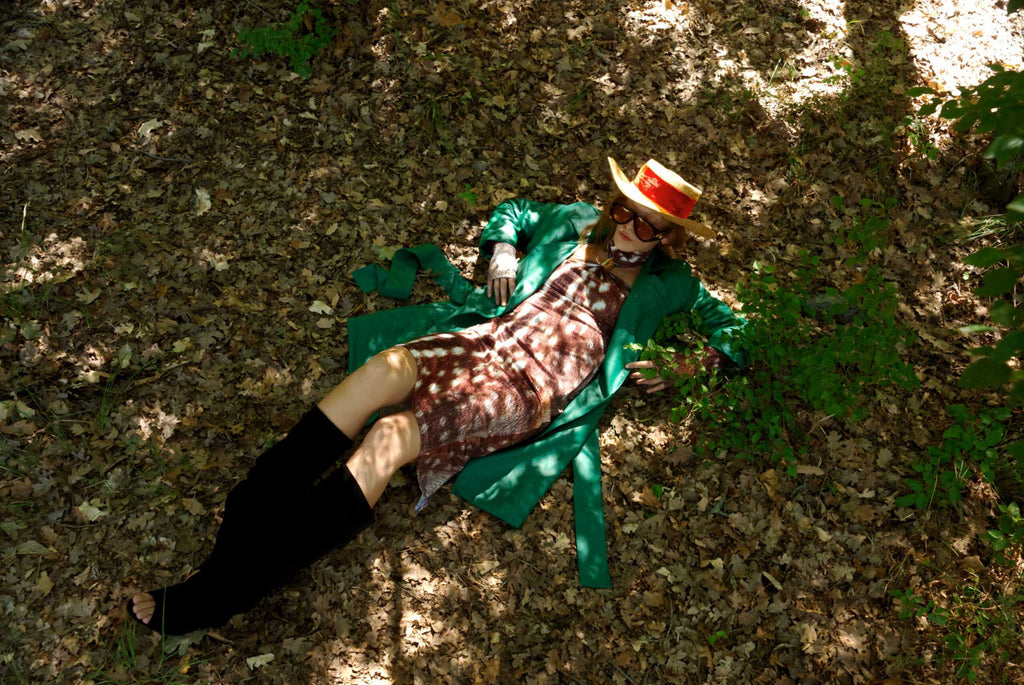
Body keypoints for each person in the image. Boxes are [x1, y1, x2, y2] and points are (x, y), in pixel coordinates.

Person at [127, 157, 747, 636]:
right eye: (625, 208)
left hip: (527, 386)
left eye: (650, 224)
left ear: (669, 239)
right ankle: (244, 520)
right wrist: (503, 245)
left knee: (388, 437)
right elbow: (515, 210)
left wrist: (697, 363)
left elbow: (739, 328)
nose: (631, 227)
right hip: (484, 341)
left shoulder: (671, 284)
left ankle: (225, 592)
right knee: (381, 371)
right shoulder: (577, 220)